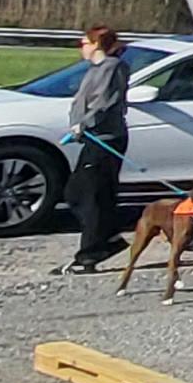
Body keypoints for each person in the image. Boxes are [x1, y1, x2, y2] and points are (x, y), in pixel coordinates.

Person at [62, 25, 131, 272]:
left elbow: (104, 102)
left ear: (96, 44)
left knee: (91, 197)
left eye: (84, 43)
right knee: (76, 193)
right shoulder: (96, 69)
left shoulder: (112, 68)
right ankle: (109, 238)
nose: (81, 48)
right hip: (94, 138)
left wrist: (85, 124)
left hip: (107, 139)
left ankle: (90, 254)